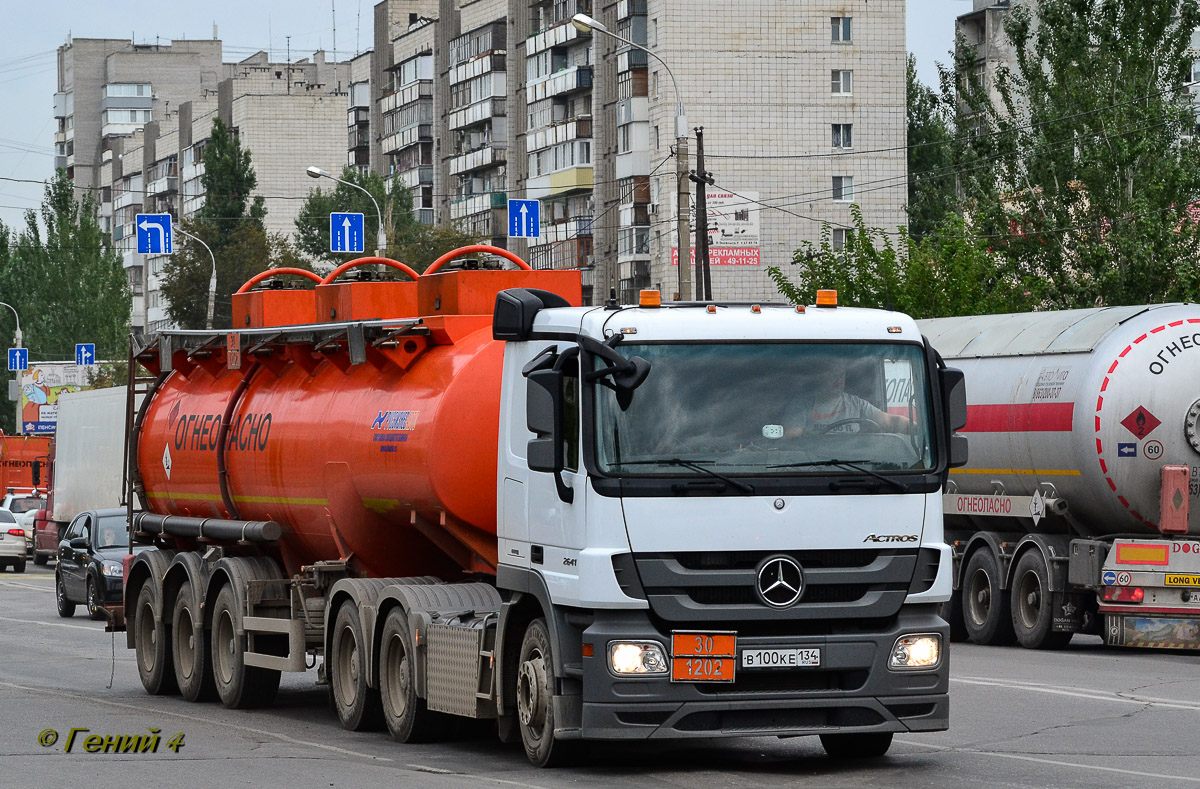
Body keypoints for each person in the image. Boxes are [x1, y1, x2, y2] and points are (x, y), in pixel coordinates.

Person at [787, 357, 913, 436]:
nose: (839, 381)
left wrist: (922, 431)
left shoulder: (856, 404)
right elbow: (793, 437)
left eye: (841, 376)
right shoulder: (803, 404)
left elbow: (890, 421)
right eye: (833, 376)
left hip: (853, 464)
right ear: (821, 377)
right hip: (814, 464)